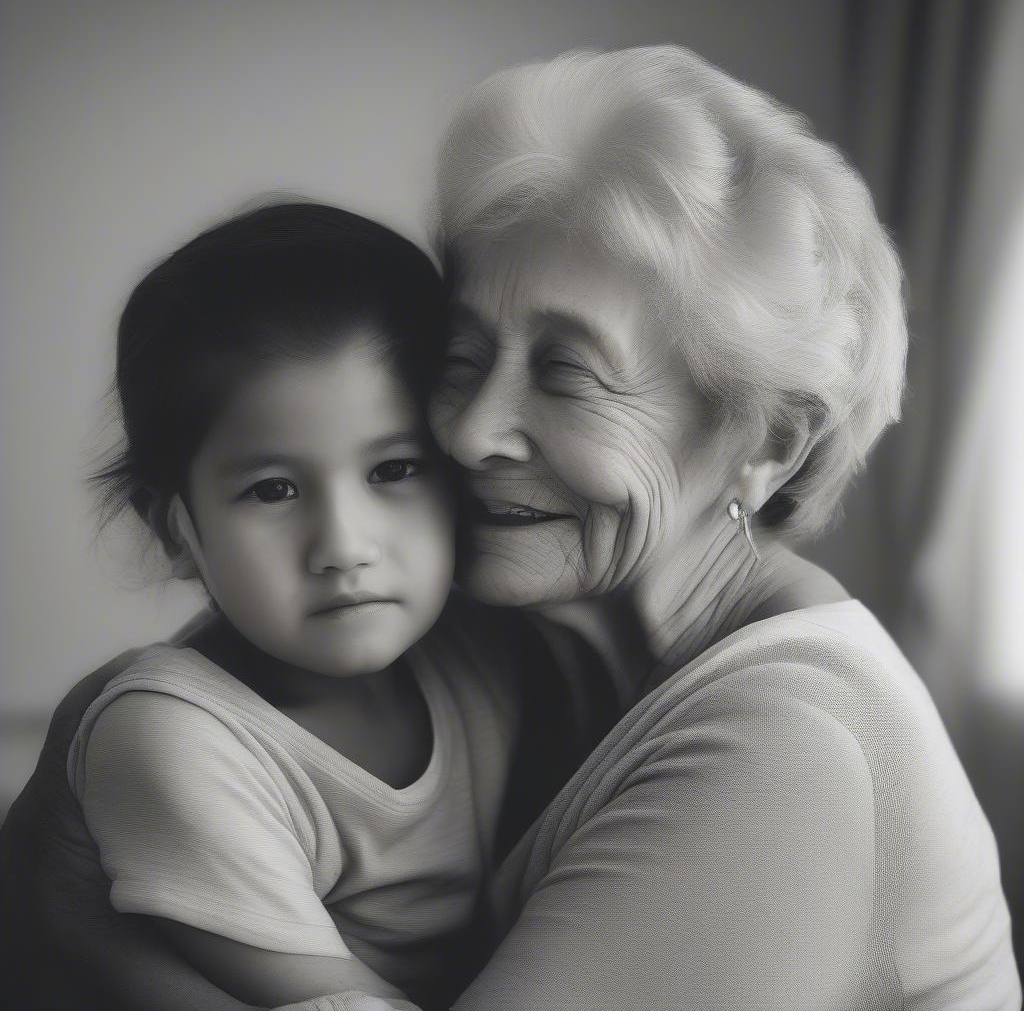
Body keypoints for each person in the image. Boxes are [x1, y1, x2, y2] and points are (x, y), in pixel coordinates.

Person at [1, 46, 1020, 1010]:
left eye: (567, 372)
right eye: (462, 355)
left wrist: (72, 940)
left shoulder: (794, 753)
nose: (470, 428)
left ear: (766, 441)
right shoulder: (515, 645)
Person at [9, 202, 606, 1010]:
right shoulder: (176, 740)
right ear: (179, 530)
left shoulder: (490, 641)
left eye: (394, 470)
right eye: (273, 490)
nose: (343, 545)